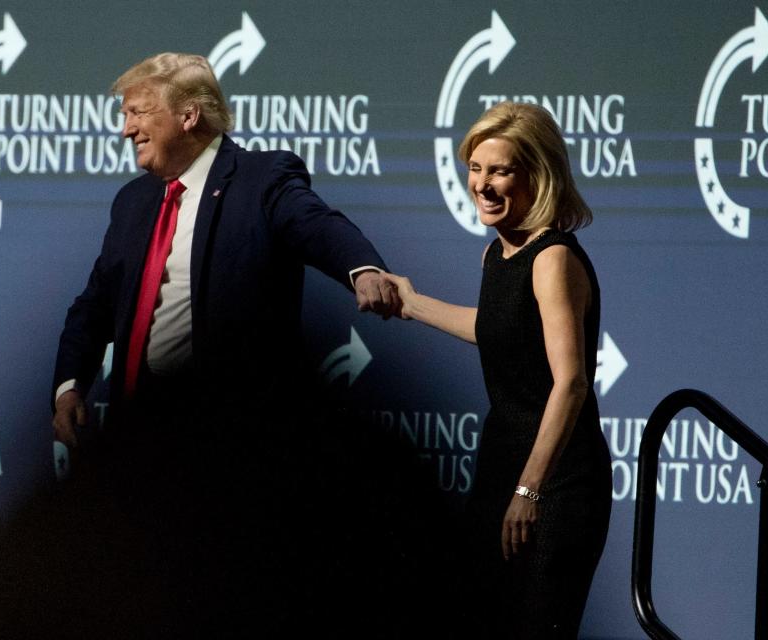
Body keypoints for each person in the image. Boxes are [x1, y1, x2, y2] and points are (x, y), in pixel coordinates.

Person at [48, 52, 399, 635]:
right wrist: (69, 385)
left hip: (232, 452)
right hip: (139, 438)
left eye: (138, 112)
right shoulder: (134, 201)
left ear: (189, 116)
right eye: (124, 113)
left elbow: (318, 226)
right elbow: (95, 304)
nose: (125, 127)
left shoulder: (262, 179)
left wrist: (362, 269)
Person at [383, 102, 612, 638]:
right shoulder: (496, 254)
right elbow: (495, 327)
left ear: (537, 175)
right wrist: (412, 304)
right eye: (476, 168)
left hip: (555, 481)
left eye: (500, 170)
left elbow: (571, 381)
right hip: (500, 469)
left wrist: (529, 491)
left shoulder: (553, 258)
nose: (482, 185)